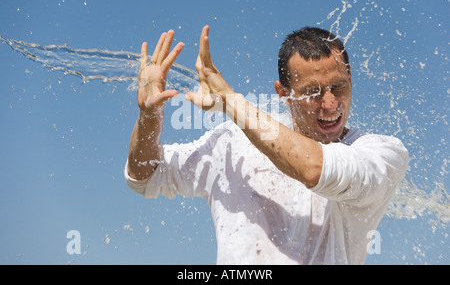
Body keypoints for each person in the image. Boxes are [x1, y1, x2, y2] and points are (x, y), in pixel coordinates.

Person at [125, 25, 409, 264]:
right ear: (284, 94)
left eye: (339, 86)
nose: (330, 104)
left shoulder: (382, 154)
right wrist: (149, 116)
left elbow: (314, 168)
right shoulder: (232, 142)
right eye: (313, 92)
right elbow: (145, 176)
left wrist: (231, 102)